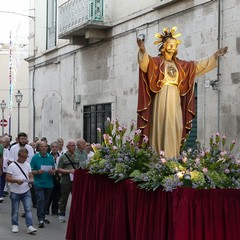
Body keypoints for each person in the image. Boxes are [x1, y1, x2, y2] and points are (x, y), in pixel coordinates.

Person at [136, 26, 228, 158]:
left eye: (174, 45)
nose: (172, 47)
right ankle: (158, 159)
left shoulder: (181, 65)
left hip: (175, 98)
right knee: (161, 126)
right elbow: (144, 64)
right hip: (161, 98)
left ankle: (172, 157)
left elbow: (197, 66)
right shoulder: (156, 62)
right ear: (164, 46)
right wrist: (142, 50)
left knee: (176, 126)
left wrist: (214, 56)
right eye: (170, 44)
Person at [5, 148, 37, 234]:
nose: (24, 159)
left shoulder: (27, 165)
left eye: (26, 157)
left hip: (26, 190)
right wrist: (16, 181)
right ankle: (15, 225)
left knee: (28, 209)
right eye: (23, 157)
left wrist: (31, 180)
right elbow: (7, 178)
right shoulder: (12, 166)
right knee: (15, 209)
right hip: (15, 191)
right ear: (18, 155)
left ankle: (29, 226)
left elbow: (30, 175)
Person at [30, 141, 55, 228]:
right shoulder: (35, 158)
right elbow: (31, 171)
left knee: (46, 201)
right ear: (39, 148)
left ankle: (43, 216)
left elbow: (54, 168)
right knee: (41, 200)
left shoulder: (51, 157)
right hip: (38, 183)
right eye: (42, 146)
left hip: (49, 183)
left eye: (45, 146)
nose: (44, 148)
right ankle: (40, 218)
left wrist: (53, 172)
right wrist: (37, 172)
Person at [57, 140, 79, 223]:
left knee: (76, 197)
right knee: (64, 198)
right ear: (67, 147)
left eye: (74, 145)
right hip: (66, 180)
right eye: (72, 145)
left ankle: (75, 214)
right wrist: (69, 171)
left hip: (75, 180)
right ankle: (62, 214)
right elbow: (59, 169)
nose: (73, 147)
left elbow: (78, 167)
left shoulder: (76, 156)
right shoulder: (63, 157)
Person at [47, 141, 61, 215]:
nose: (54, 148)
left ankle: (55, 210)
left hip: (58, 176)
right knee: (50, 194)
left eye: (56, 147)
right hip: (50, 176)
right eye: (53, 147)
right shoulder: (48, 156)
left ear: (58, 148)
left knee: (57, 194)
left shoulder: (61, 156)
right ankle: (46, 209)